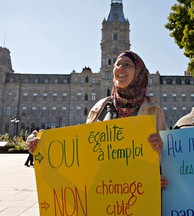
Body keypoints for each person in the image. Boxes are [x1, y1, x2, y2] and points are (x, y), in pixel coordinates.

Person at [27, 50, 168, 188]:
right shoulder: (99, 108)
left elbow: (167, 158)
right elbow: (83, 149)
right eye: (117, 64)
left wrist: (162, 169)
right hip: (103, 189)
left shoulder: (154, 112)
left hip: (139, 189)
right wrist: (42, 148)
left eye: (127, 64)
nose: (120, 67)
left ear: (138, 73)